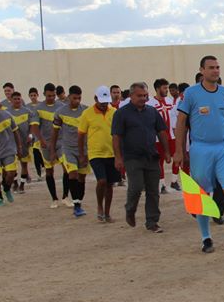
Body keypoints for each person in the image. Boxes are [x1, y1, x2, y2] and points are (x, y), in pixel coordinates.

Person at [174, 56, 224, 254]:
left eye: (218, 67)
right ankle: (206, 238)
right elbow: (181, 122)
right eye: (211, 67)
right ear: (202, 70)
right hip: (201, 149)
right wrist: (179, 150)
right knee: (202, 194)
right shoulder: (191, 94)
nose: (215, 70)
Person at [112, 82, 169, 233]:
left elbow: (161, 131)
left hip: (151, 156)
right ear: (131, 96)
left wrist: (167, 152)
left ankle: (152, 221)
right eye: (139, 96)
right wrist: (118, 157)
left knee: (153, 191)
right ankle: (130, 209)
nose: (143, 98)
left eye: (145, 95)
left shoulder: (152, 112)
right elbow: (116, 137)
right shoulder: (121, 114)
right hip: (132, 157)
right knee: (136, 187)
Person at [78, 86, 120, 223]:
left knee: (110, 184)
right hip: (95, 153)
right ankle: (99, 206)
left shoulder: (114, 112)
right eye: (101, 101)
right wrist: (82, 154)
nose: (104, 104)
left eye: (106, 102)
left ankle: (107, 213)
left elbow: (118, 134)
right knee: (102, 181)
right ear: (95, 98)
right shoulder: (87, 114)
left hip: (111, 153)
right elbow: (81, 135)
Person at [50, 85, 90, 218]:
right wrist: (52, 150)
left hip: (84, 149)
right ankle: (76, 206)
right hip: (68, 149)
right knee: (72, 174)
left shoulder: (86, 111)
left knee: (82, 177)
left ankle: (79, 201)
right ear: (68, 97)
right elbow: (55, 132)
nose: (77, 101)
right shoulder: (60, 112)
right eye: (74, 98)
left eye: (79, 98)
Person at [30, 82, 68, 208]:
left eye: (53, 95)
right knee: (49, 170)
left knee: (67, 167)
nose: (51, 98)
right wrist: (41, 140)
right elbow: (34, 126)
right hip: (46, 143)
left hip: (61, 142)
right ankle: (54, 199)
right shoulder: (38, 108)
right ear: (44, 94)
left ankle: (65, 196)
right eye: (49, 96)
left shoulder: (61, 107)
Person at [147, 78, 176, 195]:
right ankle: (162, 184)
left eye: (167, 88)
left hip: (171, 136)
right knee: (159, 161)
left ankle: (174, 180)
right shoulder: (150, 103)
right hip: (158, 138)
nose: (167, 90)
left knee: (177, 158)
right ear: (158, 89)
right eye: (164, 88)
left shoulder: (170, 101)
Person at [7, 91, 35, 191]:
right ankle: (15, 183)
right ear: (11, 100)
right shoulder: (7, 113)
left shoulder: (27, 111)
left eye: (18, 99)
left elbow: (32, 125)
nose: (17, 101)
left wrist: (30, 135)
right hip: (12, 143)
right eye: (15, 99)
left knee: (24, 164)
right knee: (13, 164)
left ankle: (22, 185)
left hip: (24, 141)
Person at [27, 87, 44, 180]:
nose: (33, 97)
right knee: (35, 153)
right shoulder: (27, 107)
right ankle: (39, 172)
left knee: (42, 152)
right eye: (31, 95)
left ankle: (44, 166)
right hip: (33, 134)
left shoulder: (42, 105)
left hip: (41, 133)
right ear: (29, 96)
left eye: (34, 95)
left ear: (37, 95)